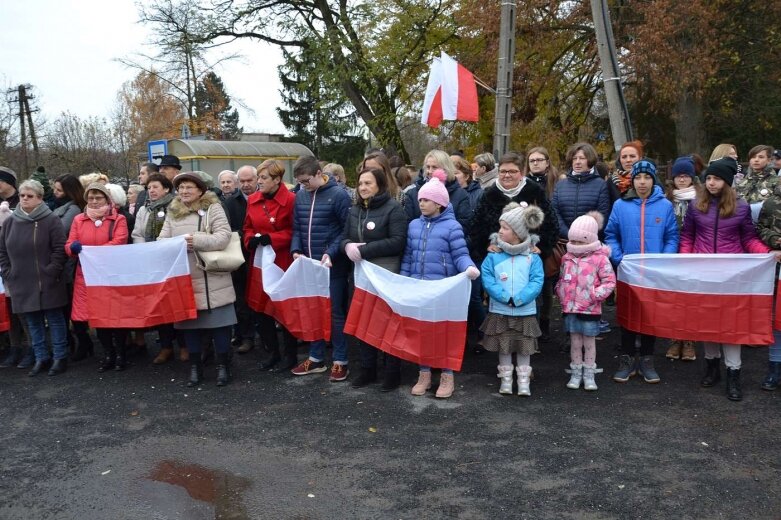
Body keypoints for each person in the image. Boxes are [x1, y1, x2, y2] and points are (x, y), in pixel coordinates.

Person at [680, 157, 771, 400]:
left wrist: (767, 254)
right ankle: (712, 367)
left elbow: (749, 239)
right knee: (708, 323)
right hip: (703, 273)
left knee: (731, 326)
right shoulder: (695, 205)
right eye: (708, 178)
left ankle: (734, 374)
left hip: (732, 276)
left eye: (717, 178)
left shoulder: (741, 207)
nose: (711, 182)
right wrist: (684, 262)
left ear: (727, 182)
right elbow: (687, 236)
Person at [401, 177, 480, 398]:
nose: (422, 203)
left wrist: (469, 268)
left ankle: (447, 376)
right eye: (420, 199)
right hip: (420, 289)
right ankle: (424, 373)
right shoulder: (414, 225)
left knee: (445, 333)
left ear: (439, 203)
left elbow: (461, 254)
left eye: (426, 200)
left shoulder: (452, 227)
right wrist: (405, 280)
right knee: (423, 332)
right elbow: (409, 256)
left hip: (443, 290)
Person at [158, 172, 237, 387]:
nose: (184, 191)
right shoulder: (173, 212)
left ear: (200, 190)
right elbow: (162, 239)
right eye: (181, 187)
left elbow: (224, 236)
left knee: (220, 325)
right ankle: (195, 367)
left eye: (189, 187)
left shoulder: (214, 208)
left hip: (212, 277)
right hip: (185, 278)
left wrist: (196, 241)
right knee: (189, 326)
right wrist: (173, 244)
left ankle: (223, 367)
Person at [469, 152, 559, 340]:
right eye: (503, 171)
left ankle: (530, 342)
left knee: (530, 298)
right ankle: (504, 343)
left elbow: (551, 223)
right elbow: (476, 226)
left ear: (521, 172)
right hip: (500, 258)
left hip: (528, 257)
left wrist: (543, 247)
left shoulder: (534, 191)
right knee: (501, 299)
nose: (507, 175)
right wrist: (486, 246)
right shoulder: (489, 194)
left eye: (512, 171)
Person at [605, 160, 679, 384]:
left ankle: (647, 359)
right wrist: (620, 258)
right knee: (628, 314)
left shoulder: (664, 206)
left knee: (650, 315)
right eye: (638, 178)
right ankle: (627, 359)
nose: (642, 182)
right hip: (628, 271)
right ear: (632, 180)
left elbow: (672, 236)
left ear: (653, 179)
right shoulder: (621, 205)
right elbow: (611, 235)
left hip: (653, 273)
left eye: (647, 177)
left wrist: (662, 260)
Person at [342, 167, 408, 391]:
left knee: (388, 323)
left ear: (380, 185)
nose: (363, 188)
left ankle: (392, 372)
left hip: (386, 274)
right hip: (361, 277)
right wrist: (346, 246)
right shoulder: (354, 210)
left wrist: (365, 250)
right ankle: (367, 370)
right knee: (364, 321)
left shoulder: (394, 208)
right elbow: (344, 237)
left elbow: (398, 241)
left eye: (368, 183)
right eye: (360, 184)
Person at [289, 156, 352, 381]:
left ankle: (340, 359)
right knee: (311, 310)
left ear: (318, 173)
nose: (302, 185)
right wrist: (296, 250)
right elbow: (296, 227)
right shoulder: (300, 196)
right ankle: (315, 358)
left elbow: (346, 230)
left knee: (335, 313)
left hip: (331, 265)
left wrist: (331, 252)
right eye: (299, 182)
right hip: (308, 265)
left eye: (306, 180)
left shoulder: (339, 195)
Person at [0, 180, 69, 376]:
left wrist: (51, 270)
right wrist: (8, 272)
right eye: (22, 196)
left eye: (30, 196)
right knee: (32, 321)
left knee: (54, 319)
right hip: (20, 280)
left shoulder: (51, 219)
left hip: (48, 279)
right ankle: (41, 357)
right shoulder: (11, 222)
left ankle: (59, 356)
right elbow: (2, 250)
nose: (24, 199)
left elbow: (59, 248)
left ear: (39, 198)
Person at [480, 203, 544, 396]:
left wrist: (521, 299)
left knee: (524, 347)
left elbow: (537, 280)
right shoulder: (493, 256)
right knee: (504, 345)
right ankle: (506, 380)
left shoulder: (532, 257)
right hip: (501, 309)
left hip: (525, 310)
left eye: (505, 228)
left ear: (517, 232)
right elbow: (488, 278)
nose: (499, 231)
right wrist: (504, 297)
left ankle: (524, 381)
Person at [65, 182, 130, 372]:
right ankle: (108, 354)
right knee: (98, 317)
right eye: (90, 198)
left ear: (107, 199)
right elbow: (69, 243)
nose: (94, 201)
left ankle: (120, 354)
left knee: (115, 316)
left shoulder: (118, 219)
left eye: (98, 198)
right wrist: (72, 249)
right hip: (88, 277)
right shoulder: (79, 220)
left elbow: (119, 241)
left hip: (111, 275)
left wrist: (94, 254)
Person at [243, 160, 298, 372]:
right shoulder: (253, 200)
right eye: (259, 177)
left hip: (282, 260)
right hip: (260, 261)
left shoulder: (291, 200)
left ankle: (290, 355)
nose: (259, 182)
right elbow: (247, 227)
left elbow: (295, 231)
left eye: (264, 178)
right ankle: (273, 352)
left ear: (277, 180)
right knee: (261, 308)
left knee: (283, 309)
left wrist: (272, 238)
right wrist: (251, 240)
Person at [556, 212, 616, 391]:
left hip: (589, 308)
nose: (575, 245)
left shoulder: (600, 259)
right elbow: (561, 279)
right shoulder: (567, 258)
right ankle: (576, 372)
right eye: (573, 241)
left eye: (580, 241)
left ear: (590, 240)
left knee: (589, 342)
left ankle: (589, 373)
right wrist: (561, 292)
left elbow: (609, 282)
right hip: (571, 308)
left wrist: (594, 295)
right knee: (575, 341)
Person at [130, 173, 180, 364]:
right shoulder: (144, 209)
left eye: (155, 187)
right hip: (152, 262)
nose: (151, 190)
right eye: (149, 187)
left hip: (172, 261)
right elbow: (137, 233)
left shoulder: (175, 207)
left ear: (166, 189)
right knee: (161, 306)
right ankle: (166, 347)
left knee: (177, 304)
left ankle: (184, 345)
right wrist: (145, 250)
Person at [663, 156, 701, 361]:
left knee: (690, 297)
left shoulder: (701, 198)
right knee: (673, 297)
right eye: (679, 176)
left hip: (694, 252)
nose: (682, 180)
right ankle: (674, 337)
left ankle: (689, 340)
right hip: (672, 252)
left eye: (686, 176)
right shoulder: (666, 198)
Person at [52, 174, 91, 361]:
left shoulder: (73, 209)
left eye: (59, 190)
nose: (55, 193)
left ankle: (83, 342)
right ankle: (76, 342)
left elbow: (58, 230)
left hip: (69, 265)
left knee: (73, 308)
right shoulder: (57, 207)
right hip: (61, 264)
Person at [223, 165, 259, 354]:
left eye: (249, 181)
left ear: (257, 179)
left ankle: (267, 336)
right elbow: (225, 230)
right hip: (240, 256)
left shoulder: (264, 200)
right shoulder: (230, 203)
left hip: (262, 254)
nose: (246, 185)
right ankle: (246, 336)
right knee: (241, 299)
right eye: (242, 181)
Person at [404, 150, 473, 235]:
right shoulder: (413, 194)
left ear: (446, 169)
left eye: (434, 167)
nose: (429, 171)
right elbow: (407, 225)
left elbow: (465, 226)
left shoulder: (460, 195)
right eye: (428, 167)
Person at [756, 181, 781, 390]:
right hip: (777, 268)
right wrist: (775, 240)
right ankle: (774, 368)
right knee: (777, 319)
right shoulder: (772, 202)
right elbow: (760, 227)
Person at [735, 145, 778, 221]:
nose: (756, 160)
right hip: (743, 226)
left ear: (769, 160)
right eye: (753, 157)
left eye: (761, 157)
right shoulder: (742, 182)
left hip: (767, 228)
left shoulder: (777, 182)